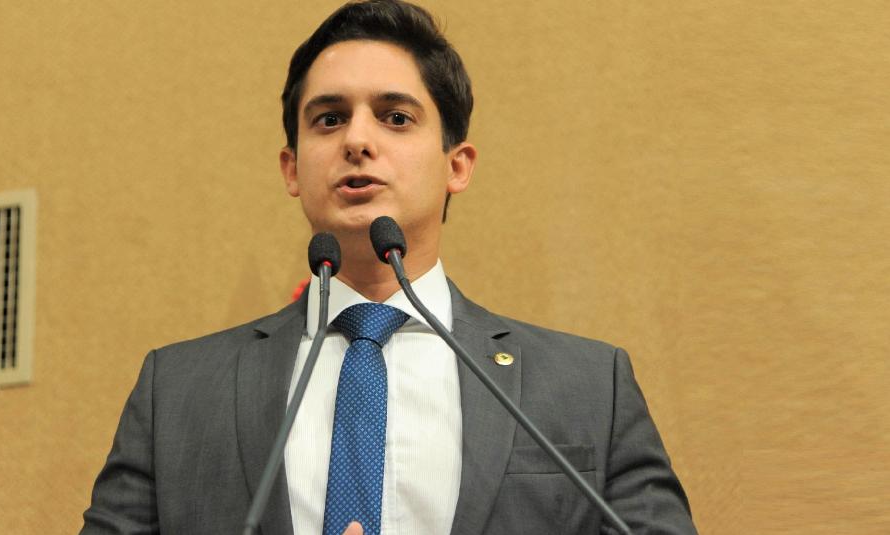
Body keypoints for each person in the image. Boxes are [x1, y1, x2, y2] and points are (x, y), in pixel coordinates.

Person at [81, 1, 697, 534]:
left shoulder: (589, 387)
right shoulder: (178, 392)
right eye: (329, 119)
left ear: (457, 165)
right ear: (292, 168)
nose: (357, 141)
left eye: (395, 117)